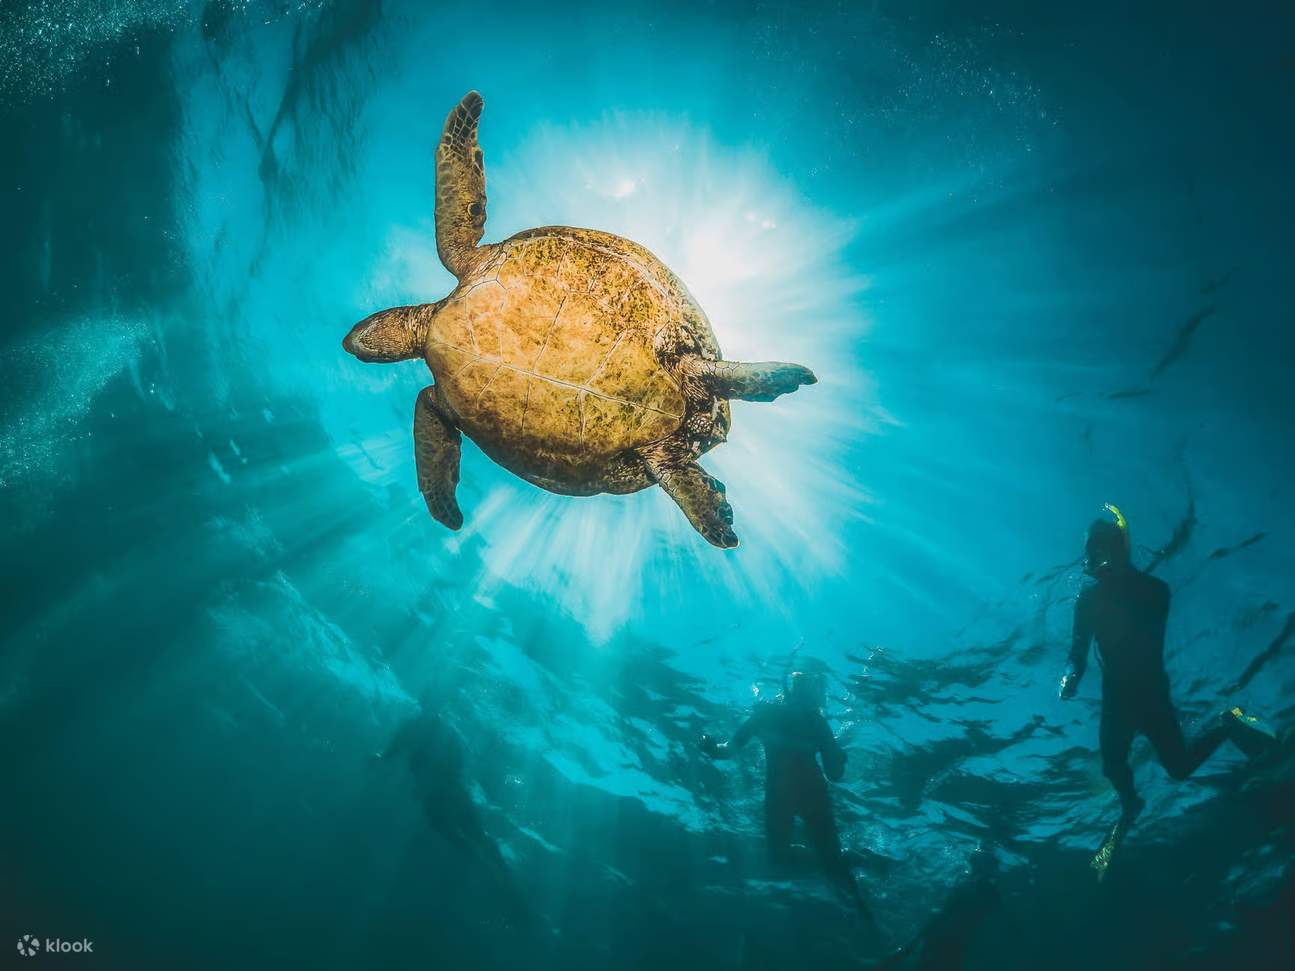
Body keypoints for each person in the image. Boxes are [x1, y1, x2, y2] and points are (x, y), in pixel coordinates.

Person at [1060, 504, 1276, 835]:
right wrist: (1071, 676)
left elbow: (1141, 634)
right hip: (1116, 698)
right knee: (1113, 766)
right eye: (1092, 548)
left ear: (1119, 548)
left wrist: (1114, 586)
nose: (1095, 555)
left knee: (1178, 768)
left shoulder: (1153, 590)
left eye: (1102, 546)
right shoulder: (1090, 600)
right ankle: (1131, 803)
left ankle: (1229, 722)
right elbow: (1078, 650)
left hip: (1150, 695)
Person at [699, 666, 873, 919]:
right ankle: (855, 878)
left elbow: (729, 749)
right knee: (824, 860)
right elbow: (835, 773)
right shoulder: (817, 723)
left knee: (781, 857)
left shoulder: (767, 714)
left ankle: (850, 875)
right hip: (811, 792)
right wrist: (839, 757)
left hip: (780, 792)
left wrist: (710, 747)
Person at [375, 698, 528, 922]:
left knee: (469, 837)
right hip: (444, 794)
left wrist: (384, 759)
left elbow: (394, 752)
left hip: (442, 794)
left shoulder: (424, 729)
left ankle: (495, 872)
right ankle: (496, 873)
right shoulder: (440, 730)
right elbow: (394, 751)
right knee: (471, 837)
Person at [873, 844, 1001, 970]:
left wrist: (909, 948)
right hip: (951, 942)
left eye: (977, 858)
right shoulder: (980, 888)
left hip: (946, 941)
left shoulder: (977, 887)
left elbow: (943, 915)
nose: (970, 859)